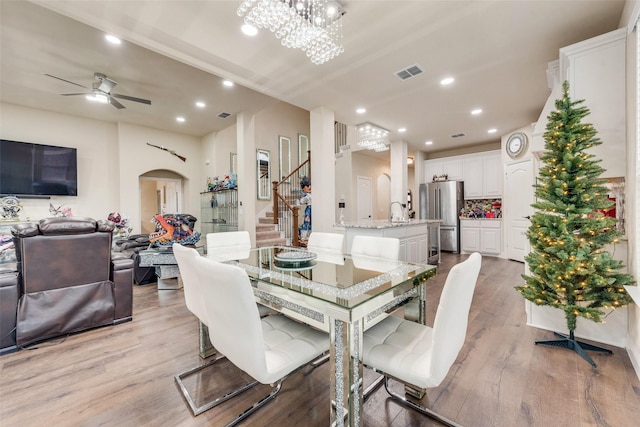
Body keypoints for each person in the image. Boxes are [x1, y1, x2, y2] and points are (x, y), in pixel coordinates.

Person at [298, 176, 311, 244]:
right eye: (307, 185)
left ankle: (309, 236)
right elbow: (301, 201)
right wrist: (306, 197)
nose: (309, 187)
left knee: (311, 223)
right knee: (307, 222)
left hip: (313, 209)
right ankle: (303, 236)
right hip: (309, 209)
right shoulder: (305, 195)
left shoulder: (310, 194)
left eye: (309, 185)